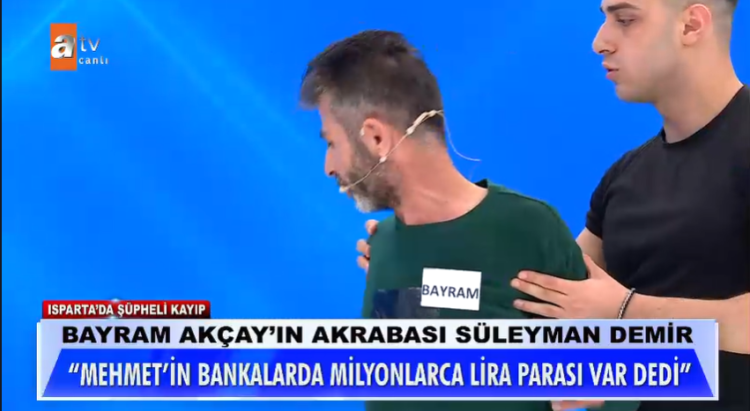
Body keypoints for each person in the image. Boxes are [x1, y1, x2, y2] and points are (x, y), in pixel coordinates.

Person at [356, 1, 749, 410]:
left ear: (691, 25)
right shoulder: (626, 177)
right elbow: (528, 295)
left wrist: (625, 310)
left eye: (625, 19)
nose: (600, 41)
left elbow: (606, 309)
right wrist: (412, 269)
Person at [302, 30, 638, 411]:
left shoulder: (528, 229)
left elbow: (623, 384)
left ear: (376, 138)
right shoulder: (383, 247)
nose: (328, 166)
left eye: (331, 142)